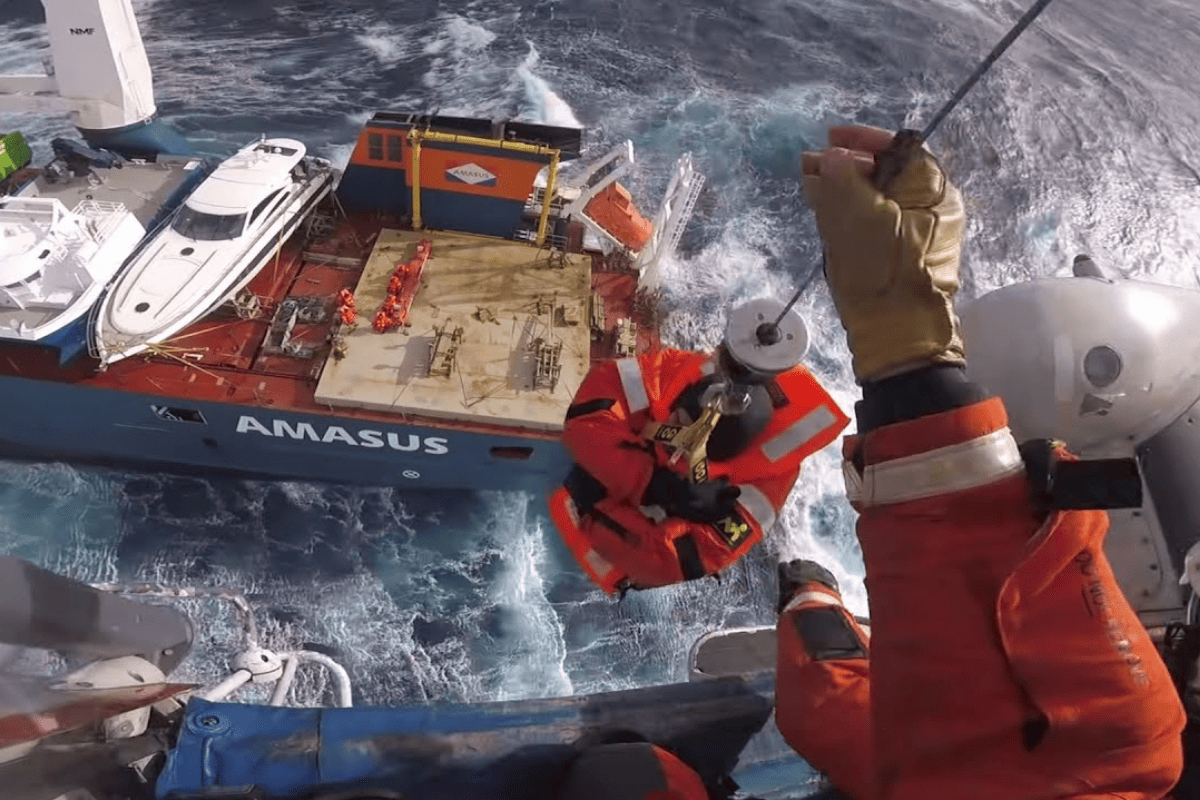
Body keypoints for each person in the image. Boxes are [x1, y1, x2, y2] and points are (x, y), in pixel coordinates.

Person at [772, 124, 1188, 799]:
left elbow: (992, 764)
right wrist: (808, 598)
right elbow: (834, 709)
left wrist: (909, 350)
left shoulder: (1136, 743)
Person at [548, 297, 849, 594]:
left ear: (713, 455)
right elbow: (591, 410)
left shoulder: (760, 494)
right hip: (624, 485)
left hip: (613, 541)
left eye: (678, 425)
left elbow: (663, 563)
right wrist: (655, 484)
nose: (672, 423)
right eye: (676, 416)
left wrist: (593, 506)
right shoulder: (679, 376)